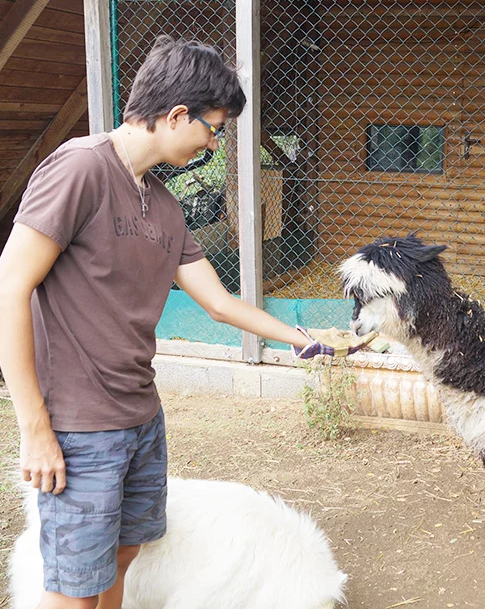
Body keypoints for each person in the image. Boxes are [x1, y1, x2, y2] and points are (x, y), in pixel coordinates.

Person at [0, 35, 316, 609]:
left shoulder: (163, 206)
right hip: (78, 425)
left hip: (141, 416)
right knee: (72, 586)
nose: (214, 141)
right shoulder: (80, 170)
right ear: (176, 115)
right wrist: (34, 428)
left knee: (124, 555)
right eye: (213, 128)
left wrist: (307, 338)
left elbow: (218, 303)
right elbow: (10, 285)